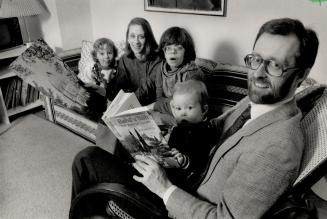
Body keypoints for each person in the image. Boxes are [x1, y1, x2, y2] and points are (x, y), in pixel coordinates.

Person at [70, 17, 319, 219]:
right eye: (255, 60)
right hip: (181, 170)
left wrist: (164, 188)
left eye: (275, 65)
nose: (258, 73)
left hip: (178, 201)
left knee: (87, 160)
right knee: (117, 142)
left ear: (301, 75)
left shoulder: (279, 146)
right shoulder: (257, 101)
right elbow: (214, 126)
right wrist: (164, 138)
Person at [164, 79, 218, 193]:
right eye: (178, 108)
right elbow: (170, 148)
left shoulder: (205, 131)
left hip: (184, 182)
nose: (183, 113)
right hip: (167, 172)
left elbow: (201, 159)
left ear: (204, 110)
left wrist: (184, 160)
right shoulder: (177, 129)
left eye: (189, 108)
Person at [140, 26, 204, 115]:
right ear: (163, 51)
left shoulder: (191, 73)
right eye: (168, 48)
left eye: (179, 48)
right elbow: (158, 97)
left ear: (186, 52)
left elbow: (182, 106)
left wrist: (155, 106)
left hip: (185, 115)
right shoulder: (161, 67)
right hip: (166, 111)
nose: (173, 52)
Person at [106, 17, 161, 106]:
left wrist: (125, 104)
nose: (136, 41)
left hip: (151, 107)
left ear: (148, 39)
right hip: (130, 105)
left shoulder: (158, 60)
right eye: (132, 36)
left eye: (141, 37)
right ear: (128, 39)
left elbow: (145, 89)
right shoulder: (124, 59)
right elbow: (120, 88)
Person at [78, 38, 118, 120]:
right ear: (96, 55)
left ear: (114, 53)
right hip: (94, 98)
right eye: (102, 54)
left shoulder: (115, 69)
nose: (106, 56)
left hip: (108, 98)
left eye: (109, 53)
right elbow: (87, 77)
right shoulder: (95, 68)